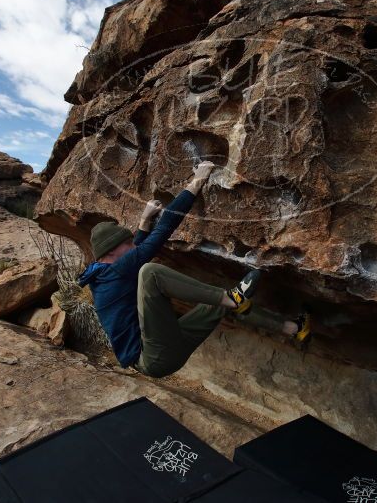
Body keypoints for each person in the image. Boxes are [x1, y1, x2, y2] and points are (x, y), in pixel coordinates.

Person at [78, 160, 311, 378]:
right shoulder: (115, 271)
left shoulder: (104, 272)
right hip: (153, 356)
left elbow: (135, 249)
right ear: (110, 252)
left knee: (214, 302)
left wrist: (145, 221)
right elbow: (165, 228)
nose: (132, 246)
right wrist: (197, 181)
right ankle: (230, 298)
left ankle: (293, 328)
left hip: (167, 348)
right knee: (150, 272)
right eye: (126, 244)